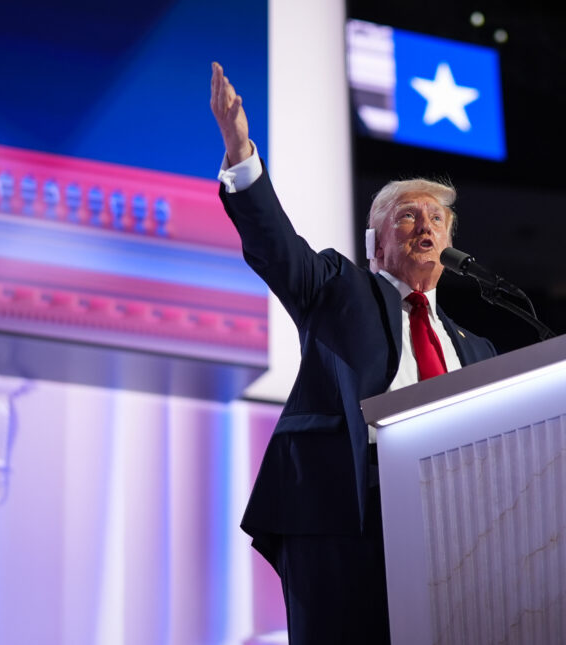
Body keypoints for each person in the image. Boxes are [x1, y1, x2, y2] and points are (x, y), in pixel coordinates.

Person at [210, 62, 496, 644]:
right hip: (347, 502)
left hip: (450, 516)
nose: (425, 225)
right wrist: (240, 150)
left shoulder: (478, 346)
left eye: (437, 218)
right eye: (408, 215)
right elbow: (276, 247)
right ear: (376, 242)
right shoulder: (341, 288)